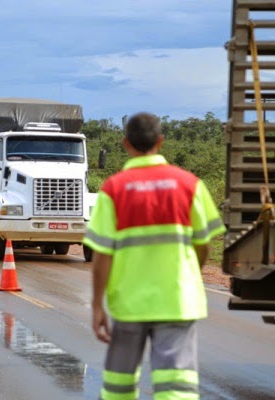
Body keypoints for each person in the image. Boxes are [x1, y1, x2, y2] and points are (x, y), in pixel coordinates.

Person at [83, 112, 226, 399]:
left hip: (129, 303)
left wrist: (97, 305)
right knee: (176, 386)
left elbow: (102, 256)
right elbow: (204, 245)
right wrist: (192, 276)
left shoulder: (114, 189)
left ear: (125, 143)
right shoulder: (190, 185)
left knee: (119, 384)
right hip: (176, 300)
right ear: (160, 141)